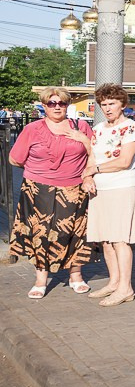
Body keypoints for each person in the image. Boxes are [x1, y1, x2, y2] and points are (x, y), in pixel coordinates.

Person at [8, 87, 94, 298]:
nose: (57, 107)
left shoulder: (81, 126)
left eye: (61, 103)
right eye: (51, 103)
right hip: (38, 188)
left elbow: (95, 154)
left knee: (74, 232)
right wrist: (38, 171)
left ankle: (76, 276)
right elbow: (15, 158)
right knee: (40, 233)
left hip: (74, 188)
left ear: (67, 105)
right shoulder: (32, 128)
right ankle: (40, 279)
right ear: (44, 106)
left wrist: (82, 139)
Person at [85, 84, 135, 307]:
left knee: (119, 239)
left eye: (112, 103)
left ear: (122, 105)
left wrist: (95, 170)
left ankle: (126, 288)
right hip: (100, 189)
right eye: (104, 104)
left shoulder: (130, 128)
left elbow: (124, 161)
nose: (108, 108)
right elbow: (92, 158)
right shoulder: (98, 128)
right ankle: (114, 282)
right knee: (105, 239)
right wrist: (88, 178)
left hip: (121, 187)